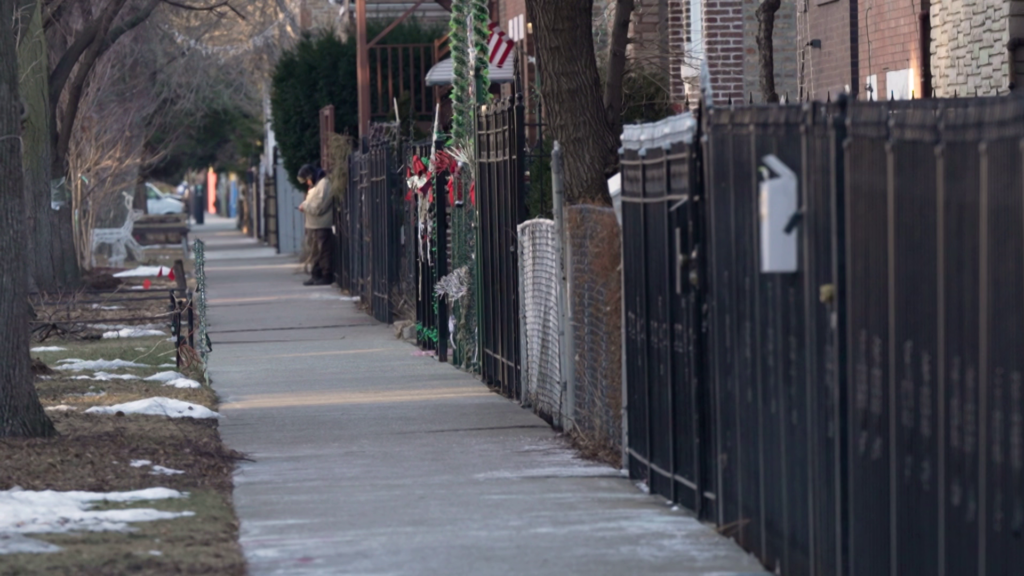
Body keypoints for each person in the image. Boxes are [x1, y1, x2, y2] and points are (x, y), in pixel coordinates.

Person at [297, 164, 334, 286]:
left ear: (311, 176)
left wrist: (305, 205)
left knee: (323, 251)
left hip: (321, 225)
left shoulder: (324, 184)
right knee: (315, 252)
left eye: (307, 180)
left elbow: (319, 208)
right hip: (314, 225)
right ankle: (316, 274)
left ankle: (326, 275)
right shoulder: (317, 185)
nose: (307, 183)